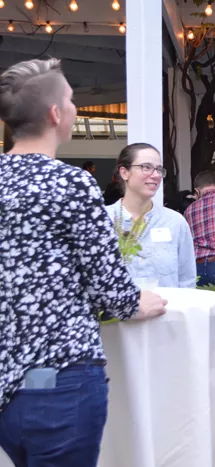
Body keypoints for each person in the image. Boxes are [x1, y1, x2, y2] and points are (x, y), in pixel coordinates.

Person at [0, 58, 167, 467]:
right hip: (63, 378)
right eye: (72, 101)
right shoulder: (70, 182)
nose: (75, 108)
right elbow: (108, 283)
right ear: (56, 114)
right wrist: (135, 302)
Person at [105, 143, 197, 288]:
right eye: (146, 167)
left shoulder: (175, 222)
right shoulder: (103, 221)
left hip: (167, 310)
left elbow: (187, 281)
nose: (155, 175)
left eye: (159, 169)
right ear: (124, 172)